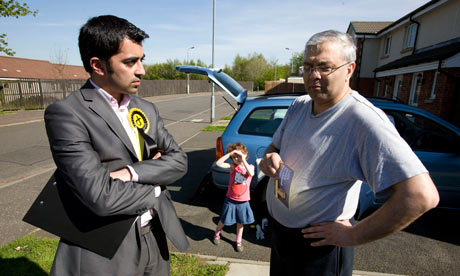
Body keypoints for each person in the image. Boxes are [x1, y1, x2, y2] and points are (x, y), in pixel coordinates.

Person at [258, 30, 439, 276]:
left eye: (325, 67)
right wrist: (270, 158)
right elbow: (274, 148)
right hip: (281, 235)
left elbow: (421, 196)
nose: (314, 75)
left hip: (318, 250)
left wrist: (353, 235)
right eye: (308, 66)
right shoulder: (299, 105)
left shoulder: (364, 120)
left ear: (350, 69)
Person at [39, 15, 188, 276]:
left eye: (141, 60)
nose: (141, 70)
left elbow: (179, 161)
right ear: (97, 65)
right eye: (130, 62)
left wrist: (132, 173)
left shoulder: (147, 109)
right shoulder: (67, 114)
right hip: (104, 248)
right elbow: (100, 198)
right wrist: (157, 186)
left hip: (155, 236)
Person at [213, 142, 255, 252]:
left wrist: (243, 159)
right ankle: (217, 232)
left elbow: (251, 173)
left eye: (239, 156)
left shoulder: (250, 167)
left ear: (246, 155)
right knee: (224, 219)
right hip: (230, 200)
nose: (237, 158)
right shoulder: (233, 167)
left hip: (243, 201)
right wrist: (230, 153)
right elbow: (219, 163)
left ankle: (238, 241)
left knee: (240, 222)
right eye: (234, 157)